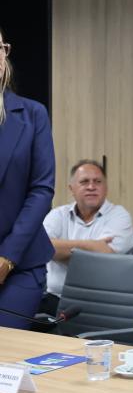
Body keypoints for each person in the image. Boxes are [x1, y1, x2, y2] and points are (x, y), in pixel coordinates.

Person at [0, 28, 56, 330]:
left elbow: (41, 189)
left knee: (5, 352)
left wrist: (7, 257)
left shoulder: (33, 115)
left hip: (19, 262)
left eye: (0, 47)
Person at [40, 159, 133, 314]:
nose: (91, 187)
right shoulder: (58, 214)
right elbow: (41, 247)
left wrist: (60, 250)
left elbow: (105, 257)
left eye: (97, 181)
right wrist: (93, 245)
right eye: (84, 182)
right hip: (55, 298)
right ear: (71, 188)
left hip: (102, 303)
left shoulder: (119, 215)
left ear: (105, 188)